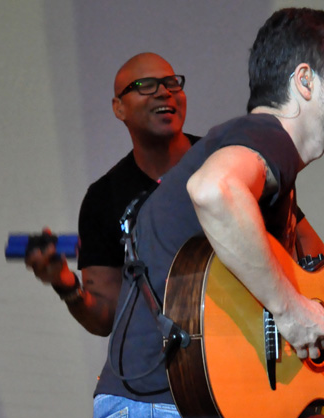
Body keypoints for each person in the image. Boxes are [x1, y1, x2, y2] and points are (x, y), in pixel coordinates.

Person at [92, 8, 324, 418]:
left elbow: (256, 341)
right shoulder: (263, 134)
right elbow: (214, 189)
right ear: (305, 81)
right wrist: (292, 309)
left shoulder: (274, 181)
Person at [25, 52, 199, 336]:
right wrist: (64, 282)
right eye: (146, 85)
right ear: (119, 108)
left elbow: (297, 237)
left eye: (171, 83)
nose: (165, 92)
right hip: (161, 363)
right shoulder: (103, 199)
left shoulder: (224, 160)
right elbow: (105, 317)